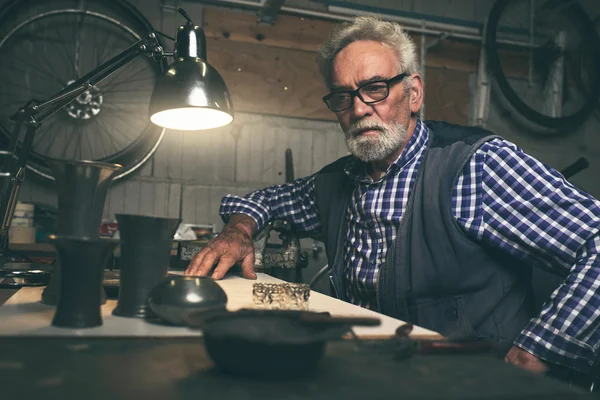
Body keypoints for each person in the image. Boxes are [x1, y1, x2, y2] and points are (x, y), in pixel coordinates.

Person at [185, 16, 600, 378]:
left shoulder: (476, 167)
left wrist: (536, 351)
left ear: (413, 93)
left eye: (376, 88)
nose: (361, 108)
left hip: (476, 384)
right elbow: (266, 201)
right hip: (377, 378)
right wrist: (239, 229)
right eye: (343, 96)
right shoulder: (336, 183)